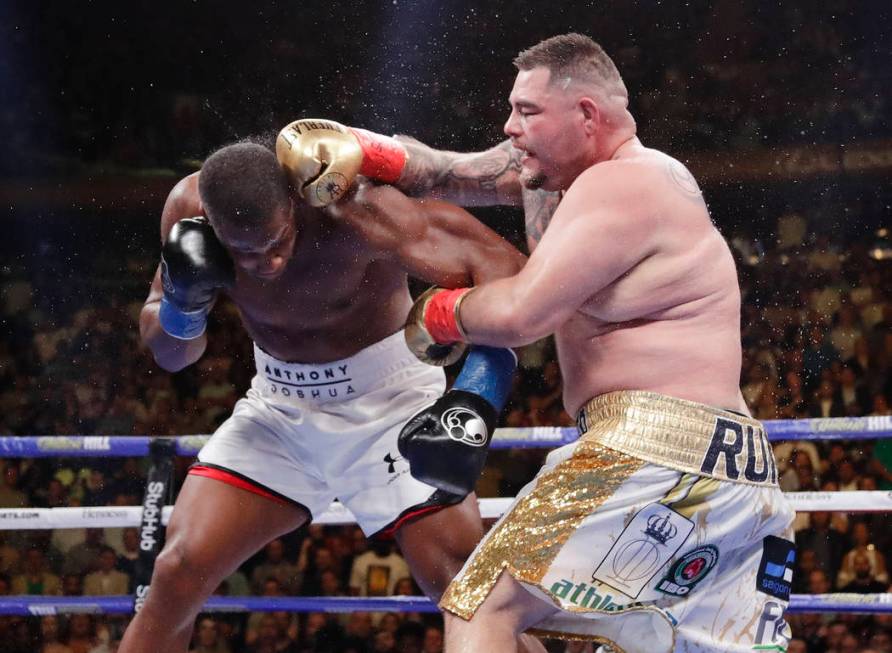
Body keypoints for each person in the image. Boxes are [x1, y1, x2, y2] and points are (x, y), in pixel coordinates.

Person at [288, 33, 795, 652]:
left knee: (481, 604)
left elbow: (522, 315)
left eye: (527, 112)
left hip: (656, 446)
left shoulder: (626, 182)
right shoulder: (559, 183)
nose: (510, 126)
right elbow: (442, 171)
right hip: (731, 463)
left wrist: (438, 313)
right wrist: (356, 149)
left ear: (586, 115)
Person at [119, 131, 540, 653]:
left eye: (278, 243)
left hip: (391, 404)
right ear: (214, 227)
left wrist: (478, 392)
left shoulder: (357, 210)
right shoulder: (186, 209)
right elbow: (172, 354)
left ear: (295, 207)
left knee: (463, 586)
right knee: (177, 571)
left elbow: (507, 271)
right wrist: (182, 303)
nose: (267, 263)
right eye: (244, 254)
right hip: (279, 408)